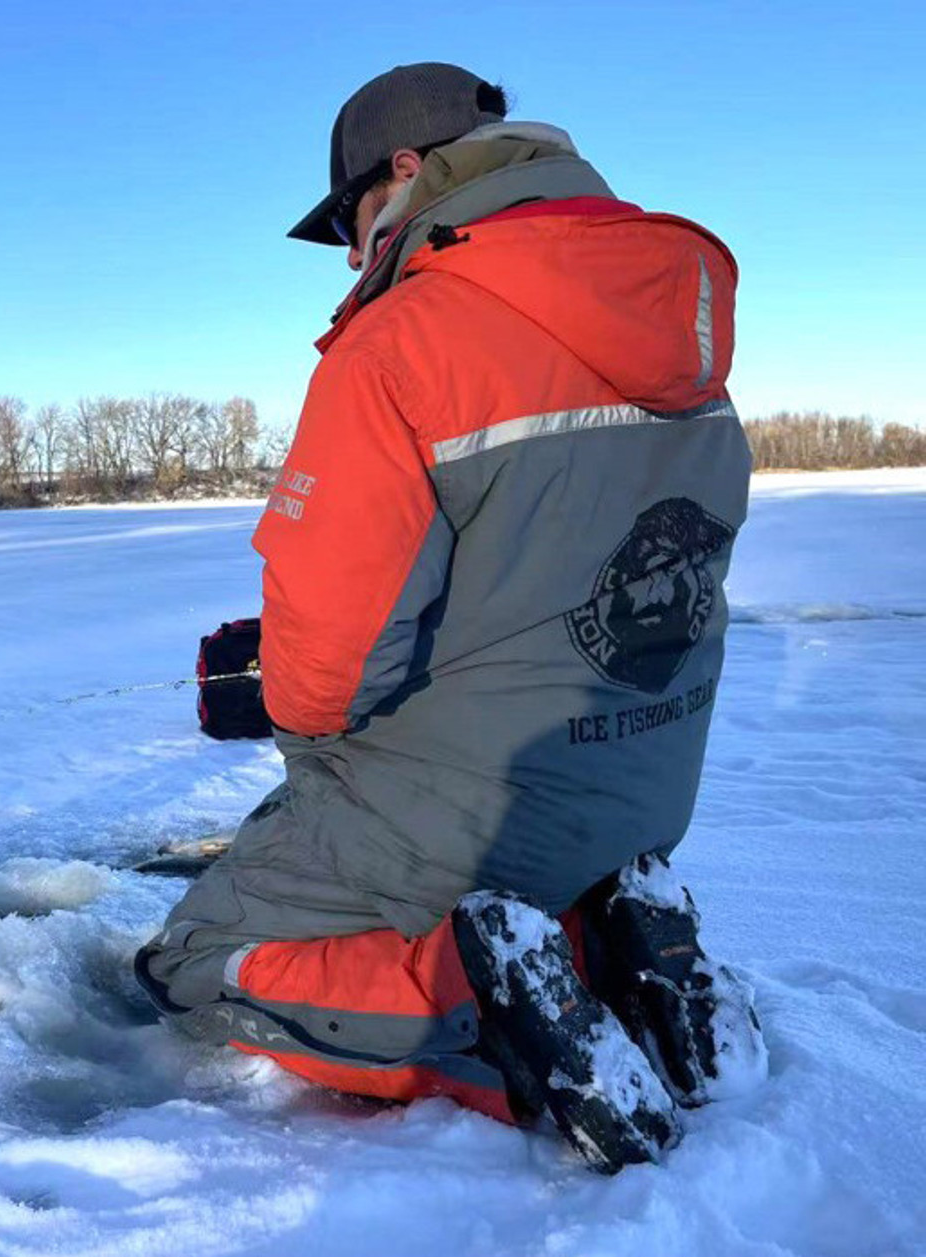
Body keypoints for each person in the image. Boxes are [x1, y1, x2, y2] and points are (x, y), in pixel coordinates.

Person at [136, 62, 765, 1173]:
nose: (347, 249)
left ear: (409, 171)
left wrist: (274, 681)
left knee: (197, 949)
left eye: (349, 213)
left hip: (478, 810)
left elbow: (326, 682)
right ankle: (613, 946)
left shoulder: (404, 338)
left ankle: (487, 1008)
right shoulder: (680, 338)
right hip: (645, 796)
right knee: (489, 872)